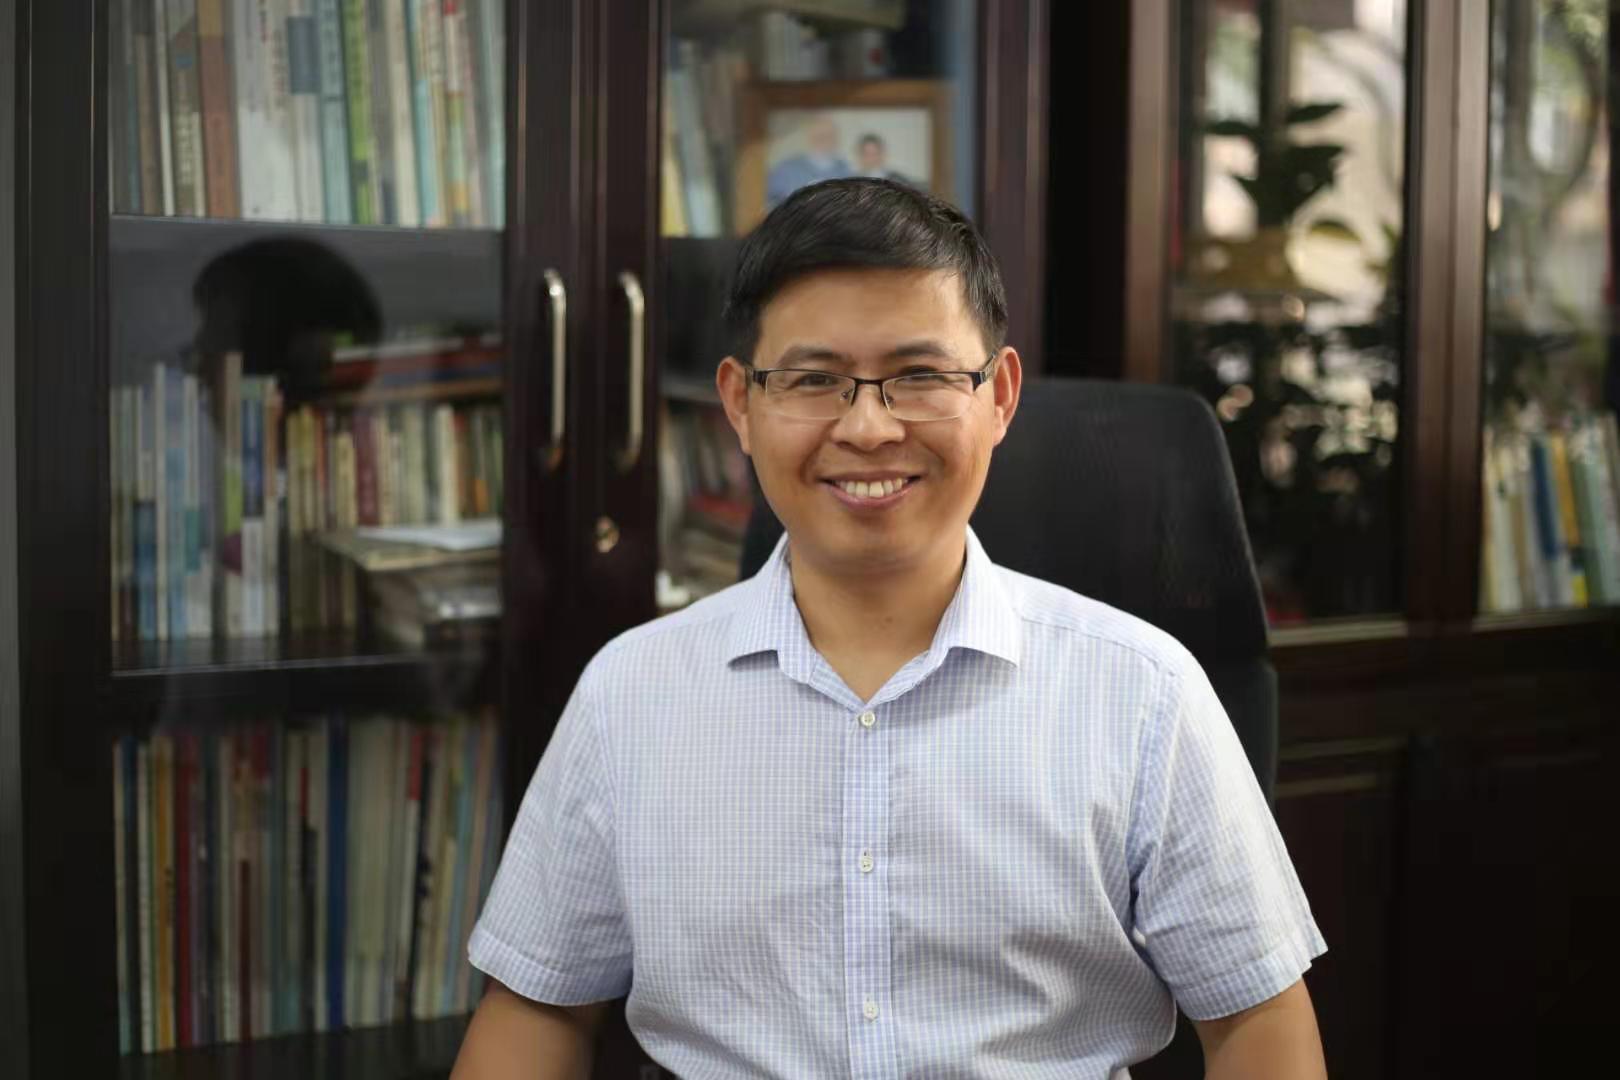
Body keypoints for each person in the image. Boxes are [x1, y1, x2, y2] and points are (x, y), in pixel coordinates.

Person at [451, 178, 1329, 1079]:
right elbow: (540, 1010)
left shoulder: (1143, 695)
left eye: (919, 377)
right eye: (814, 380)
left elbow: (1257, 1023)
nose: (868, 428)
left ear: (999, 395)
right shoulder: (632, 694)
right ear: (741, 405)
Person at [765, 113, 850, 208]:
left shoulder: (846, 171)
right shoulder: (786, 169)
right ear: (810, 137)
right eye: (819, 136)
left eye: (829, 136)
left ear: (836, 139)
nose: (824, 141)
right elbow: (771, 202)